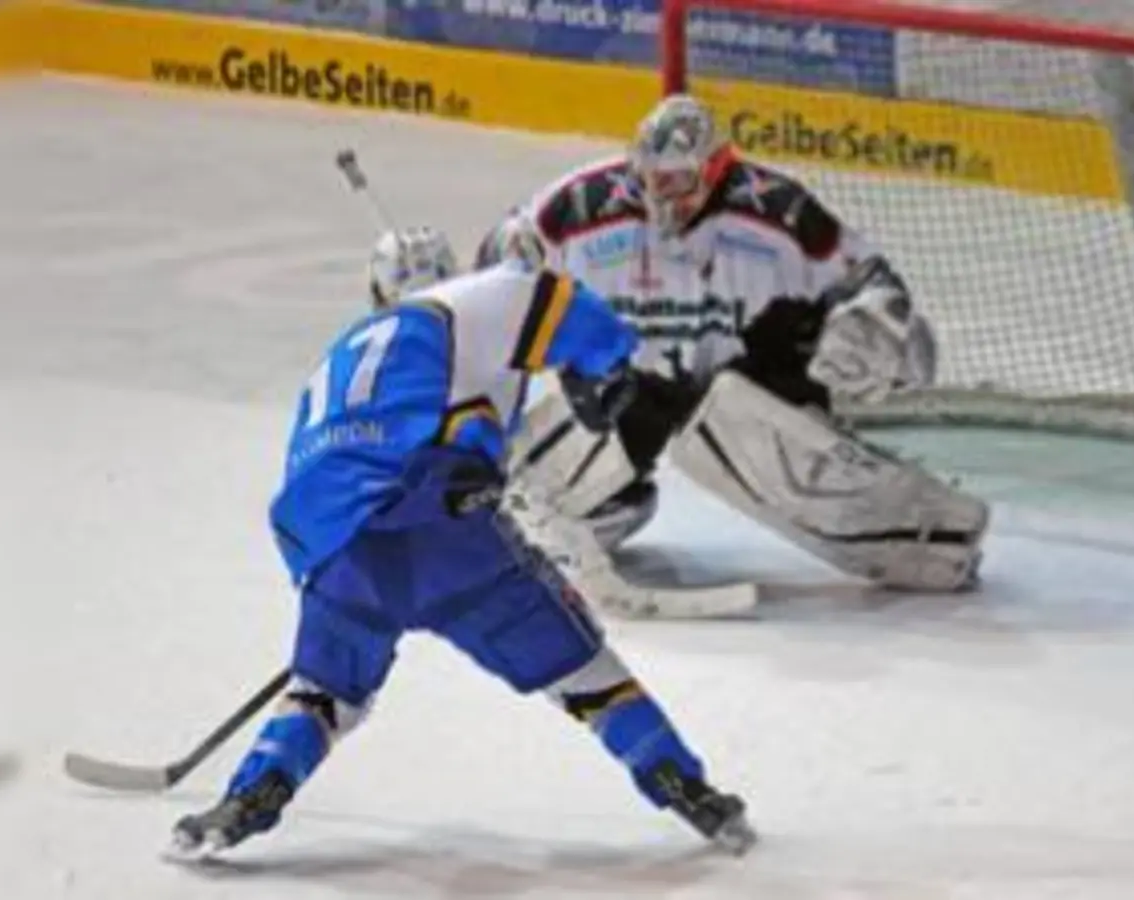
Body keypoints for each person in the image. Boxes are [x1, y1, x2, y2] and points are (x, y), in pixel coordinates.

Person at [170, 227, 755, 858]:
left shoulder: (341, 353)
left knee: (325, 689)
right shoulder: (472, 303)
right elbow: (556, 301)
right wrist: (606, 371)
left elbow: (319, 478)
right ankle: (684, 785)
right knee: (583, 670)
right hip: (445, 532)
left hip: (332, 543)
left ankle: (247, 798)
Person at [471, 94, 988, 599]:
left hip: (754, 388)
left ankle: (918, 533)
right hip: (625, 393)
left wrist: (872, 333)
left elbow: (871, 284)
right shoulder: (583, 204)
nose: (661, 195)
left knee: (932, 544)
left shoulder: (778, 210)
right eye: (651, 178)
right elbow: (499, 259)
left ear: (715, 169)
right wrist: (506, 276)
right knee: (508, 515)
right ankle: (610, 501)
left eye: (678, 181)